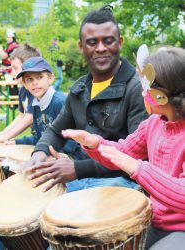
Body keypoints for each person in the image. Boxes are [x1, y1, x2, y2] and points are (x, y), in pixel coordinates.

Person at [62, 46, 185, 250]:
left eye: (146, 88)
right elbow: (125, 152)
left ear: (162, 95)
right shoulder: (153, 123)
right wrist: (95, 144)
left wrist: (138, 169)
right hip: (154, 219)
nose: (142, 92)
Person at [25, 5, 148, 192]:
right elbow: (57, 130)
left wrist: (77, 169)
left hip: (121, 182)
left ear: (120, 43)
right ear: (81, 47)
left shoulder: (137, 90)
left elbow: (137, 156)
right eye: (92, 42)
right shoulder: (79, 89)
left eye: (108, 41)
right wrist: (40, 151)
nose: (100, 48)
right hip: (80, 177)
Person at [0, 56, 82, 250]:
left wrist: (48, 156)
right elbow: (41, 137)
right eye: (29, 79)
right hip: (50, 163)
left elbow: (73, 141)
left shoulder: (60, 102)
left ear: (50, 78)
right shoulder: (37, 103)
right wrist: (15, 141)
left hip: (71, 167)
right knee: (4, 207)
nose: (34, 83)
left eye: (39, 77)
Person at [0, 44, 41, 143]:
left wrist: (6, 137)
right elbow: (21, 116)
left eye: (15, 68)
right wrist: (3, 133)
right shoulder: (23, 91)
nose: (12, 73)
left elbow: (29, 118)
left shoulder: (37, 91)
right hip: (39, 139)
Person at [0, 28, 19, 96]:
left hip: (10, 69)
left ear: (12, 37)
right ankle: (13, 104)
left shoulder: (13, 46)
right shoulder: (11, 45)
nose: (6, 38)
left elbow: (4, 56)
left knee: (11, 85)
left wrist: (0, 49)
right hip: (8, 69)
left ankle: (13, 104)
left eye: (8, 37)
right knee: (11, 86)